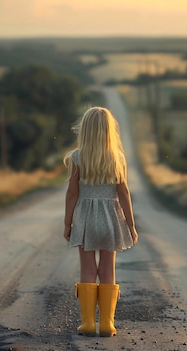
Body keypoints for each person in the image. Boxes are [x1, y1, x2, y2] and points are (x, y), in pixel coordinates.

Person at [63, 106, 139, 337]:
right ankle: (107, 324)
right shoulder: (118, 158)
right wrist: (131, 225)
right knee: (107, 269)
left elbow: (72, 194)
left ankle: (87, 324)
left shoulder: (77, 157)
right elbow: (123, 192)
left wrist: (68, 223)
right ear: (109, 130)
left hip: (85, 220)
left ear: (85, 130)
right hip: (111, 220)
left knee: (88, 269)